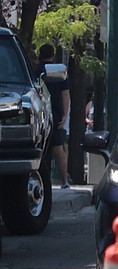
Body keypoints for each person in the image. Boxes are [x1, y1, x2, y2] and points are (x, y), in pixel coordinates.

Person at [36, 44, 71, 188]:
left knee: (40, 149)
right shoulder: (59, 72)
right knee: (58, 148)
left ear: (39, 54)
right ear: (53, 54)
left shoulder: (35, 71)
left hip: (39, 114)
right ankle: (64, 181)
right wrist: (65, 113)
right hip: (55, 113)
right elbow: (65, 93)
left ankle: (42, 181)